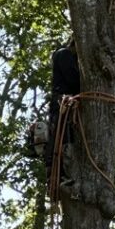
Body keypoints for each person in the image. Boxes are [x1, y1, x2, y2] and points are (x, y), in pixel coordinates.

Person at [45, 36, 81, 178]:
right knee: (63, 137)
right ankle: (62, 173)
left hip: (66, 103)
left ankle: (64, 172)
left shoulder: (65, 55)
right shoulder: (63, 53)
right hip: (63, 102)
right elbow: (73, 79)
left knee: (67, 136)